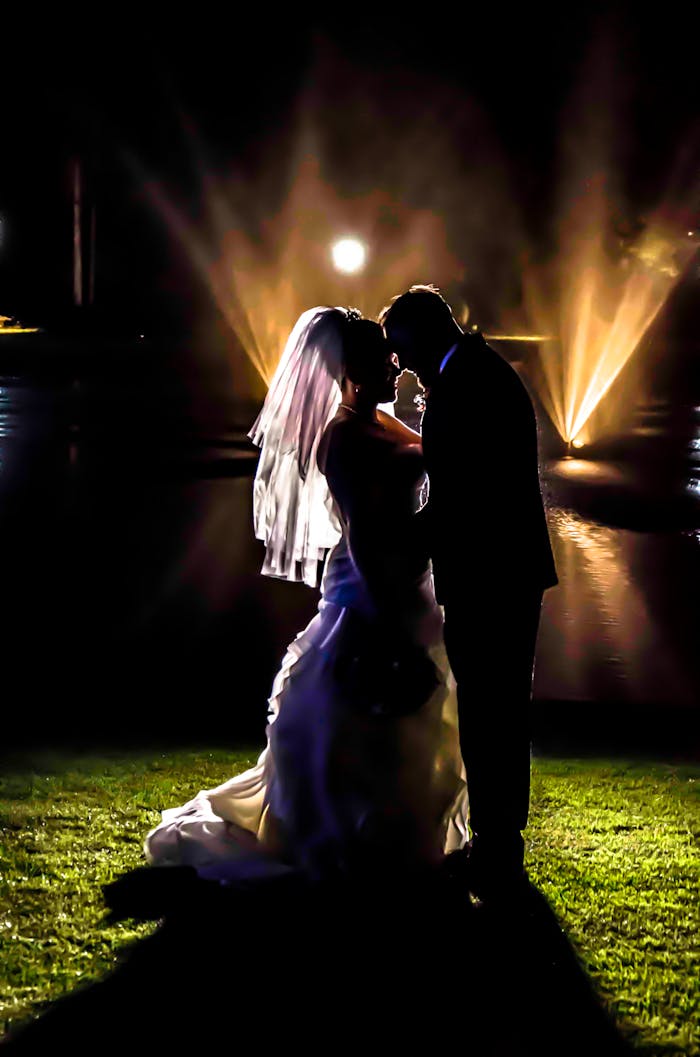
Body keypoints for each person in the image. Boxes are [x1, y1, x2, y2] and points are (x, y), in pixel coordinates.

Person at [144, 306, 467, 882]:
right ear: (351, 369)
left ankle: (394, 836)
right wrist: (390, 621)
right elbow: (368, 541)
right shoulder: (342, 438)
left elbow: (432, 454)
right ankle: (347, 838)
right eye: (382, 359)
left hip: (408, 577)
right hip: (375, 588)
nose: (396, 367)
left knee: (402, 723)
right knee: (361, 711)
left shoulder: (382, 422)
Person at [379, 285, 558, 898]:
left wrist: (395, 548)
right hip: (497, 571)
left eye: (401, 349)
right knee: (494, 712)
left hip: (493, 575)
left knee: (493, 712)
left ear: (424, 334)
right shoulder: (474, 373)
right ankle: (497, 845)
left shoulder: (472, 383)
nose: (400, 366)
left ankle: (499, 850)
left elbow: (463, 496)